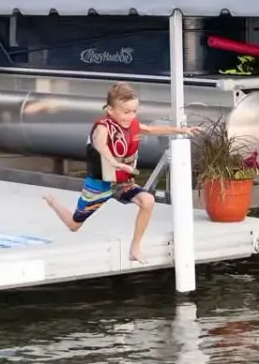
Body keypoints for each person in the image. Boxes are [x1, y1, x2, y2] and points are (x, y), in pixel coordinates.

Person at [45, 82, 193, 262]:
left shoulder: (133, 125)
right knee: (73, 225)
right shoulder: (102, 128)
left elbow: (151, 129)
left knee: (148, 200)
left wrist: (180, 130)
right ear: (110, 110)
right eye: (126, 112)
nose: (131, 116)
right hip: (99, 185)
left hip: (122, 183)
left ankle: (135, 247)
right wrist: (116, 163)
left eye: (134, 111)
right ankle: (53, 203)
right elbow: (100, 144)